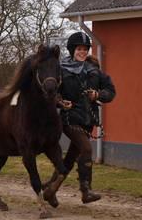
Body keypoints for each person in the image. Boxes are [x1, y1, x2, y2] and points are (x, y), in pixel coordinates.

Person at [47, 30, 116, 204]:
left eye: (85, 49)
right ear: (72, 50)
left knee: (70, 158)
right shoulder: (61, 70)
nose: (83, 52)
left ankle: (50, 189)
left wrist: (98, 95)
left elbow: (111, 92)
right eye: (79, 49)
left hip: (88, 121)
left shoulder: (94, 71)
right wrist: (60, 103)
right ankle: (86, 190)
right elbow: (52, 93)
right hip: (70, 119)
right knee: (86, 149)